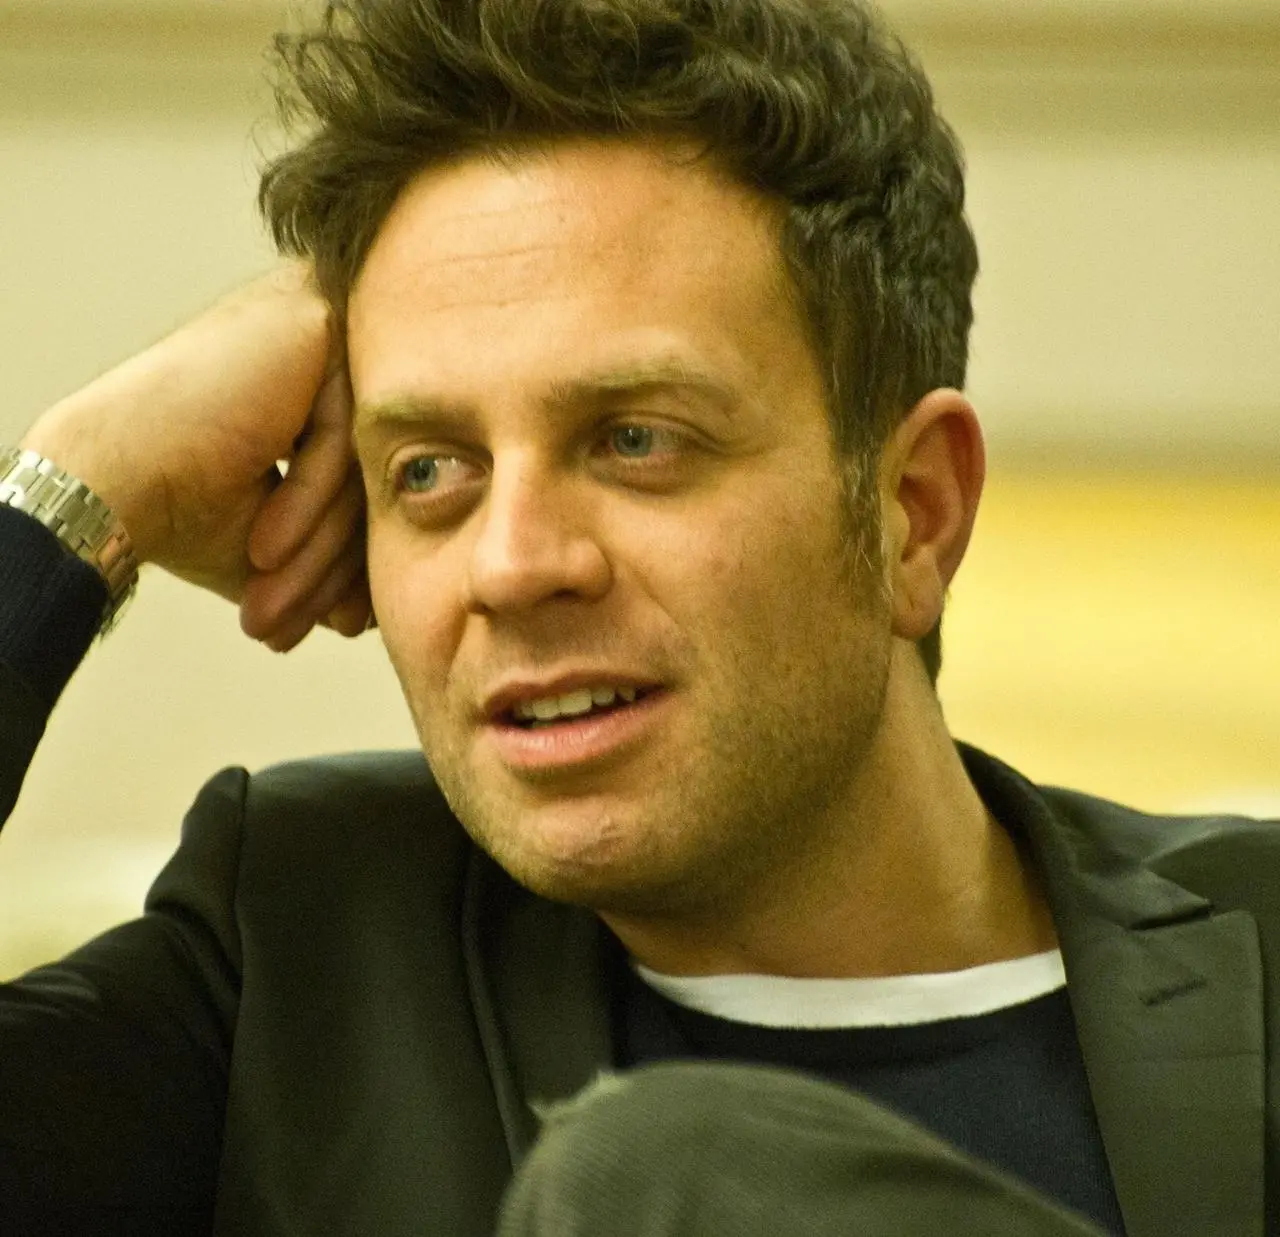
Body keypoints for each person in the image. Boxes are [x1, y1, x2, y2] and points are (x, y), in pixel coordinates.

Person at [0, 1, 1274, 1234]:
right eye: (429, 469)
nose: (511, 564)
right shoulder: (298, 959)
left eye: (633, 440)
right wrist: (77, 486)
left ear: (912, 512)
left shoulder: (1257, 953)